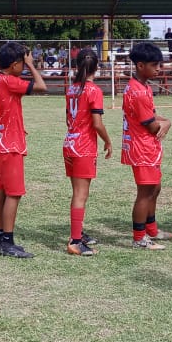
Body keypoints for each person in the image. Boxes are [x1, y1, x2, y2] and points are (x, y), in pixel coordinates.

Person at [0, 42, 47, 258]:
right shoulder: (10, 81)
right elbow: (42, 87)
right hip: (10, 147)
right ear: (14, 65)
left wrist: (8, 125)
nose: (24, 65)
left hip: (0, 143)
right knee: (14, 194)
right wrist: (32, 67)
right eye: (22, 62)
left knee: (1, 191)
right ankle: (8, 242)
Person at [122, 42, 172, 249]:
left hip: (148, 148)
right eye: (154, 65)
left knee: (155, 188)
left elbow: (151, 116)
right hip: (142, 148)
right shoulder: (138, 92)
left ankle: (151, 229)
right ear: (140, 65)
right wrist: (164, 124)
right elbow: (152, 126)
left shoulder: (143, 86)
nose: (158, 69)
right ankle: (139, 238)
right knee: (146, 191)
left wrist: (166, 121)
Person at [63, 48, 113, 256]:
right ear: (96, 67)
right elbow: (97, 123)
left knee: (78, 192)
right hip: (83, 147)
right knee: (81, 194)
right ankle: (75, 241)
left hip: (69, 143)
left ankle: (77, 232)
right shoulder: (94, 91)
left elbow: (68, 117)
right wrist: (108, 141)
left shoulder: (71, 89)